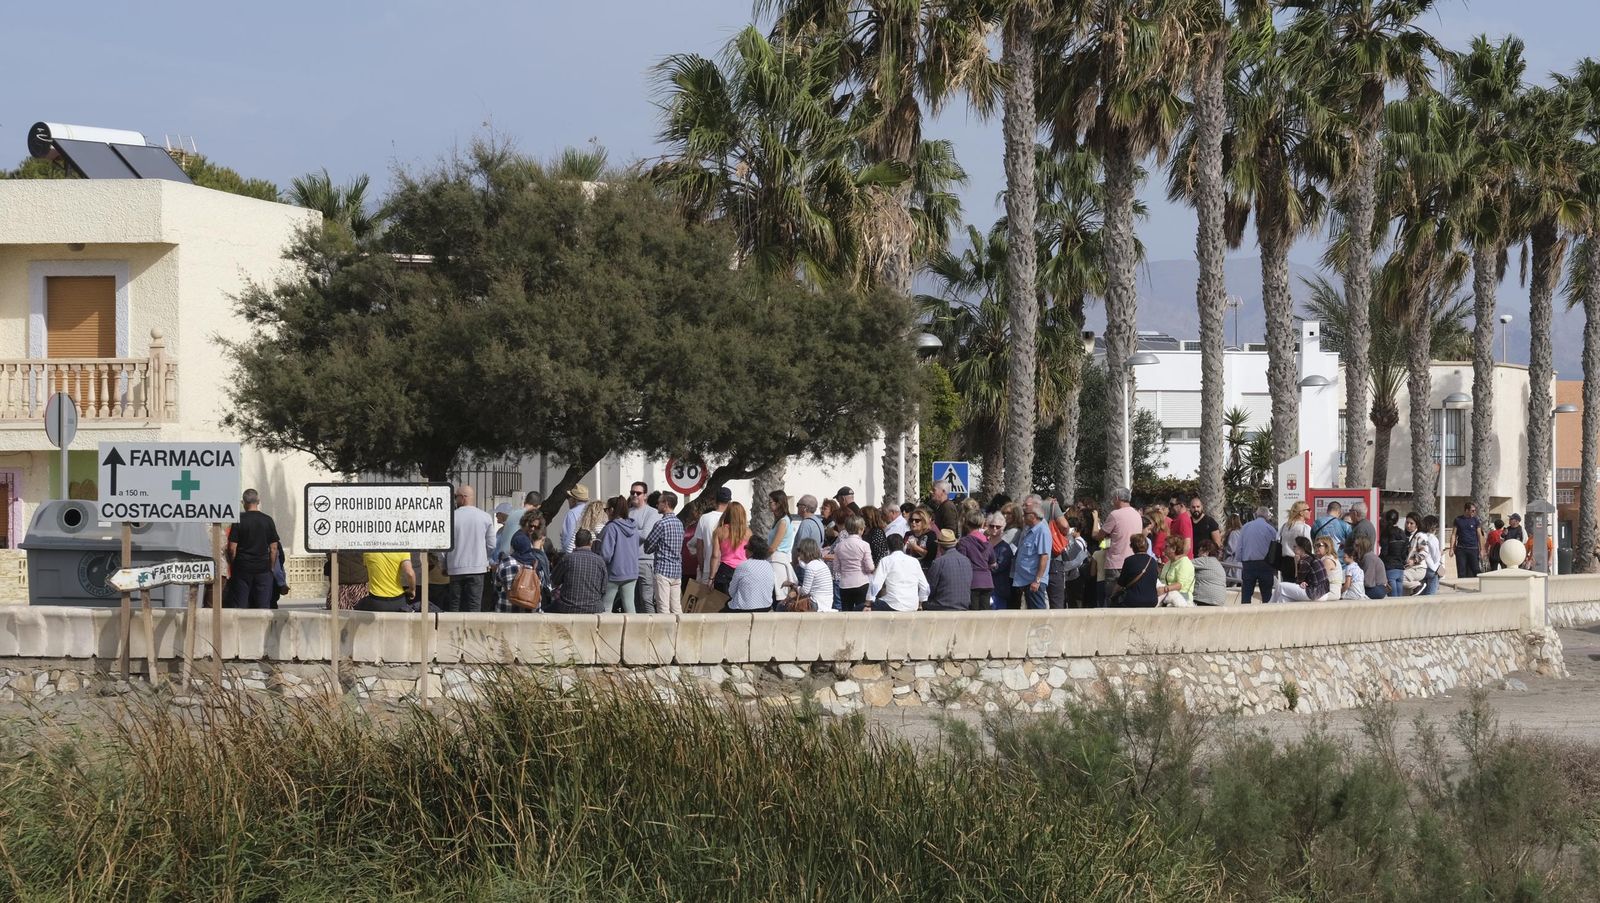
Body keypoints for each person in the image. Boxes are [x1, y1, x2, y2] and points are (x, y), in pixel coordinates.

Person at [225, 489, 281, 609]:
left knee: (241, 605)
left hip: (242, 568)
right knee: (263, 606)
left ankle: (242, 628)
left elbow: (232, 548)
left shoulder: (238, 520)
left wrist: (233, 564)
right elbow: (274, 548)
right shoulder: (267, 520)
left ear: (243, 502)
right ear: (258, 501)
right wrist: (271, 567)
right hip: (263, 569)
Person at [497, 512, 551, 612]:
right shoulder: (520, 538)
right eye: (531, 525)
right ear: (525, 522)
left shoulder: (505, 564)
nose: (533, 529)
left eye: (536, 527)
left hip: (507, 606)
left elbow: (498, 584)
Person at [597, 496, 641, 614]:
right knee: (630, 606)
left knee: (606, 607)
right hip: (632, 571)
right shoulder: (634, 527)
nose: (606, 512)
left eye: (606, 509)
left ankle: (605, 632)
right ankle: (633, 632)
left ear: (611, 510)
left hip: (613, 573)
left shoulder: (611, 528)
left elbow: (606, 554)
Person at [644, 491, 685, 615]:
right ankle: (679, 632)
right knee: (676, 608)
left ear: (666, 504)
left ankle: (665, 634)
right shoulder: (679, 523)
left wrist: (656, 547)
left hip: (663, 570)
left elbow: (648, 545)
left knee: (663, 608)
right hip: (676, 570)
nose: (657, 505)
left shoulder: (661, 524)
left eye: (659, 502)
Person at [548, 529, 607, 614]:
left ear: (575, 543)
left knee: (544, 610)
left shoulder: (567, 559)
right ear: (591, 543)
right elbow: (603, 589)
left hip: (567, 607)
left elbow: (554, 581)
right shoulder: (600, 561)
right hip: (594, 607)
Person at [867, 533, 929, 612]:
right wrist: (920, 603)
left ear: (888, 547)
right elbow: (925, 587)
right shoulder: (914, 561)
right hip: (912, 605)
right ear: (903, 545)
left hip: (893, 604)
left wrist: (868, 603)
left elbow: (876, 584)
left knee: (857, 609)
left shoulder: (886, 560)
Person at [1011, 495, 1053, 610]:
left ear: (1033, 516)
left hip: (1034, 582)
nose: (1023, 517)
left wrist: (1037, 580)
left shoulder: (1042, 531)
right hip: (1025, 581)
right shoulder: (1028, 530)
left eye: (1025, 514)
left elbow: (1044, 557)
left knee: (1038, 613)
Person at [627, 482, 662, 613]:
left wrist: (627, 532)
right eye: (632, 493)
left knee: (646, 599)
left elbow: (646, 535)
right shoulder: (628, 512)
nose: (634, 495)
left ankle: (652, 630)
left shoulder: (652, 513)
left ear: (645, 495)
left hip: (645, 561)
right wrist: (637, 530)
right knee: (633, 600)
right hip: (629, 562)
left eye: (638, 493)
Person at [1097, 487, 1142, 588]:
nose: (1112, 501)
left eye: (1113, 498)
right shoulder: (1137, 514)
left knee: (1112, 596)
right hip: (1133, 561)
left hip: (1116, 562)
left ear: (1117, 498)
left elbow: (1100, 535)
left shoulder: (1115, 515)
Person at [1234, 507, 1278, 605]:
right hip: (1265, 565)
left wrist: (1240, 560)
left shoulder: (1245, 527)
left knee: (1246, 594)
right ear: (1267, 516)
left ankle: (1245, 616)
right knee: (1267, 595)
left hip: (1248, 564)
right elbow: (1274, 549)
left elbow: (1239, 546)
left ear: (1256, 515)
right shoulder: (1270, 529)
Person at [831, 515, 874, 612]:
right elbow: (870, 567)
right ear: (861, 529)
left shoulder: (839, 546)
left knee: (847, 613)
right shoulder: (864, 545)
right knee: (861, 612)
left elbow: (836, 568)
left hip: (845, 583)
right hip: (861, 582)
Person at [954, 511, 997, 611]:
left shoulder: (964, 542)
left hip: (972, 581)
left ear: (966, 523)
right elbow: (993, 563)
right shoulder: (987, 541)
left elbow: (962, 563)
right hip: (987, 581)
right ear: (982, 524)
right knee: (985, 615)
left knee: (973, 617)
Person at [725, 535, 778, 613]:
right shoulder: (769, 565)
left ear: (751, 551)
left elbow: (731, 591)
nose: (745, 550)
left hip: (743, 610)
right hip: (765, 608)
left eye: (746, 548)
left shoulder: (743, 565)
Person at [924, 529, 973, 611]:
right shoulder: (966, 560)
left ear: (939, 546)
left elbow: (930, 588)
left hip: (942, 606)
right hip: (964, 606)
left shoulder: (939, 562)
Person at [708, 501, 751, 594]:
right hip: (744, 569)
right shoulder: (748, 532)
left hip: (725, 570)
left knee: (722, 602)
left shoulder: (720, 531)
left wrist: (711, 578)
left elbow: (715, 555)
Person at [1270, 536, 1327, 603]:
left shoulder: (1305, 561)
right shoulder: (1313, 557)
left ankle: (1268, 607)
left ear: (1301, 549)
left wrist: (1296, 563)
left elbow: (1297, 581)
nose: (1293, 548)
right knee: (1284, 597)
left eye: (1295, 547)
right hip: (1323, 593)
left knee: (1280, 586)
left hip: (1315, 594)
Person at [1110, 534, 1159, 607]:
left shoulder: (1129, 561)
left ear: (1132, 547)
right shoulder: (1153, 562)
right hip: (1152, 600)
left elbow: (1121, 583)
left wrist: (1112, 595)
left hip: (1133, 599)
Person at [696, 487, 732, 583]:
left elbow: (699, 546)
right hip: (729, 569)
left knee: (705, 598)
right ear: (729, 501)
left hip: (708, 567)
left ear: (715, 500)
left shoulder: (704, 518)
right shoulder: (732, 519)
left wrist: (702, 567)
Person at [792, 538, 833, 612]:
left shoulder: (810, 566)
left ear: (805, 552)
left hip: (816, 603)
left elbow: (805, 591)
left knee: (782, 606)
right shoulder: (821, 563)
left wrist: (793, 586)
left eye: (799, 551)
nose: (798, 553)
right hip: (827, 603)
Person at [1278, 501, 1312, 585]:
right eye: (1308, 509)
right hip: (1299, 562)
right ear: (1301, 513)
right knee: (1299, 589)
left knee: (1287, 588)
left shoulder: (1284, 526)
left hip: (1285, 562)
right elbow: (1308, 548)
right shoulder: (1304, 528)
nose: (1310, 511)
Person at [1156, 535, 1195, 607]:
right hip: (1166, 596)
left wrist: (1164, 589)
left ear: (1174, 549)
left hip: (1182, 598)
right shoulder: (1168, 563)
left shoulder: (1184, 563)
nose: (1163, 548)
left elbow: (1180, 585)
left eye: (1166, 546)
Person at [1380, 509, 1410, 597]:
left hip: (1390, 567)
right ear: (1397, 520)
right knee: (1399, 598)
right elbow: (1405, 552)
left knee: (1392, 598)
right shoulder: (1402, 533)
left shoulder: (1386, 533)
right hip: (1400, 568)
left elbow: (1384, 552)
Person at [1450, 501, 1483, 580]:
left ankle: (1478, 588)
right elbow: (1454, 534)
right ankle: (1461, 589)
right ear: (1466, 510)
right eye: (1472, 510)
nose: (1474, 512)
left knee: (1476, 570)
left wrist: (1482, 549)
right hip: (1461, 549)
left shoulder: (1475, 520)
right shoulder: (1458, 520)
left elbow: (1479, 535)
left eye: (1475, 511)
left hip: (1473, 549)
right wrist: (1452, 548)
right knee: (1461, 571)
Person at [1191, 538, 1227, 605]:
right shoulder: (1218, 564)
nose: (1198, 555)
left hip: (1204, 600)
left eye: (1199, 551)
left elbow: (1184, 564)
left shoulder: (1204, 560)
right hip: (1220, 601)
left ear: (1206, 552)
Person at [1415, 514, 1443, 595]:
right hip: (1432, 569)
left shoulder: (1420, 535)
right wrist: (1440, 553)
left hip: (1421, 567)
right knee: (1431, 593)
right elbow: (1436, 557)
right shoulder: (1432, 538)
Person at [766, 490, 795, 566]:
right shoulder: (779, 520)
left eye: (770, 502)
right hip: (775, 559)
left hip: (778, 561)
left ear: (778, 504)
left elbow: (773, 548)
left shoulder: (783, 522)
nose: (768, 504)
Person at [560, 484, 592, 553]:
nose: (568, 500)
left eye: (568, 497)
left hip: (574, 553)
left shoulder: (571, 514)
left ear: (574, 499)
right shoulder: (592, 512)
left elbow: (567, 538)